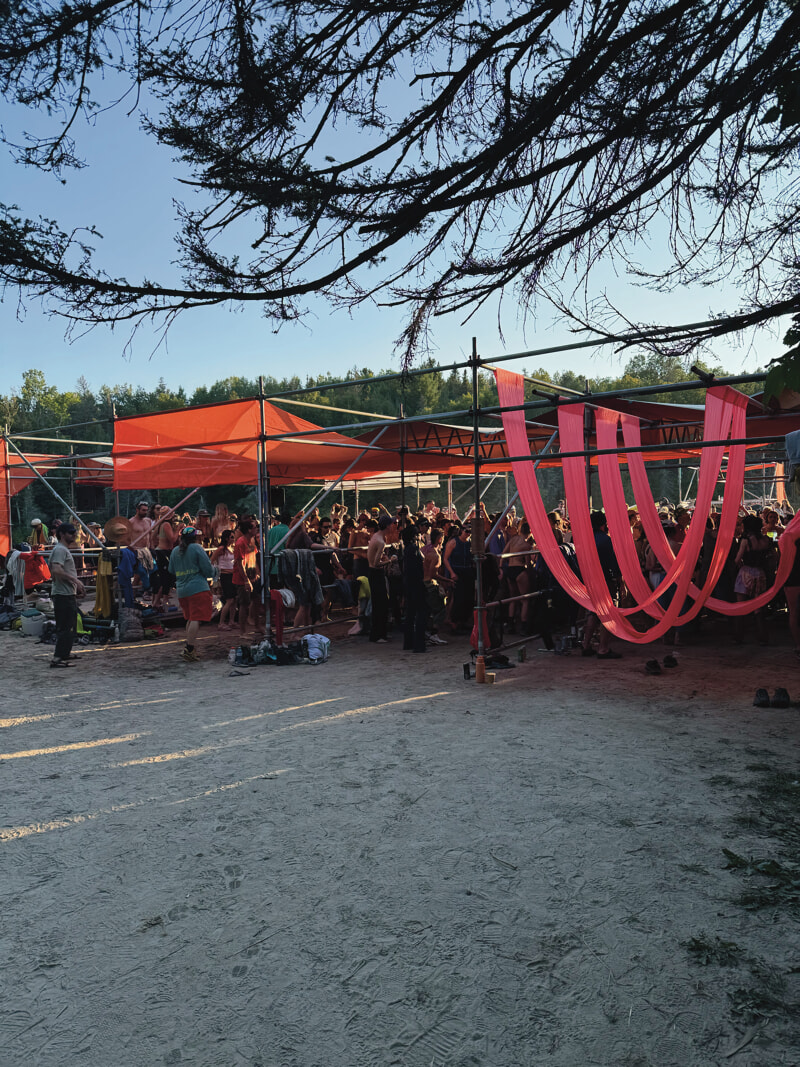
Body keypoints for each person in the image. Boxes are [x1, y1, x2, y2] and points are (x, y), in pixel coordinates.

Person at [168, 525, 215, 662]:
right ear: (195, 537)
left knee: (190, 618)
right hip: (197, 588)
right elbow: (207, 569)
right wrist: (213, 573)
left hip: (182, 590)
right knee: (196, 618)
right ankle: (188, 649)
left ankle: (191, 648)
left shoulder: (175, 550)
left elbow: (171, 569)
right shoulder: (196, 548)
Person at [49, 523, 85, 668]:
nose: (74, 535)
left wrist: (75, 587)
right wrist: (75, 580)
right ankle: (57, 658)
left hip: (66, 593)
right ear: (62, 534)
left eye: (74, 532)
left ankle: (65, 653)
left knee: (70, 625)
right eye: (71, 532)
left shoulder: (62, 549)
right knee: (65, 627)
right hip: (62, 594)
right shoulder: (60, 550)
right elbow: (56, 570)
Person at [367, 514, 397, 643]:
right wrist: (390, 560)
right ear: (387, 526)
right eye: (391, 524)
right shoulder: (381, 541)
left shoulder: (377, 537)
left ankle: (379, 633)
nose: (393, 526)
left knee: (379, 603)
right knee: (381, 604)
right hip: (376, 573)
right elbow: (375, 563)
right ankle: (378, 635)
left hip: (374, 573)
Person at [211, 529, 237, 629]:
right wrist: (216, 572)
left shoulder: (231, 548)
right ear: (226, 538)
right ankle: (221, 623)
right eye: (231, 537)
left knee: (234, 599)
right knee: (229, 600)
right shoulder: (221, 549)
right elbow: (212, 560)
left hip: (232, 575)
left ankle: (231, 621)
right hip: (225, 576)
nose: (233, 539)